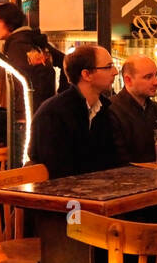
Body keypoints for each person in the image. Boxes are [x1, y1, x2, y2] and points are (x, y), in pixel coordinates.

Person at [27, 44, 118, 179]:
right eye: (108, 66)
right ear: (86, 74)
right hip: (60, 195)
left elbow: (110, 160)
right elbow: (57, 170)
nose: (115, 71)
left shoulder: (104, 109)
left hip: (96, 193)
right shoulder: (53, 113)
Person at [0, 2, 65, 108]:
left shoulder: (17, 45)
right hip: (45, 109)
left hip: (29, 112)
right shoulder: (33, 40)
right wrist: (61, 96)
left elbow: (24, 84)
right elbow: (67, 61)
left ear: (10, 22)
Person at [108, 55, 157, 165]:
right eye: (148, 77)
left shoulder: (155, 109)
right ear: (128, 80)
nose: (156, 82)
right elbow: (119, 160)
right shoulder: (112, 110)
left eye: (156, 75)